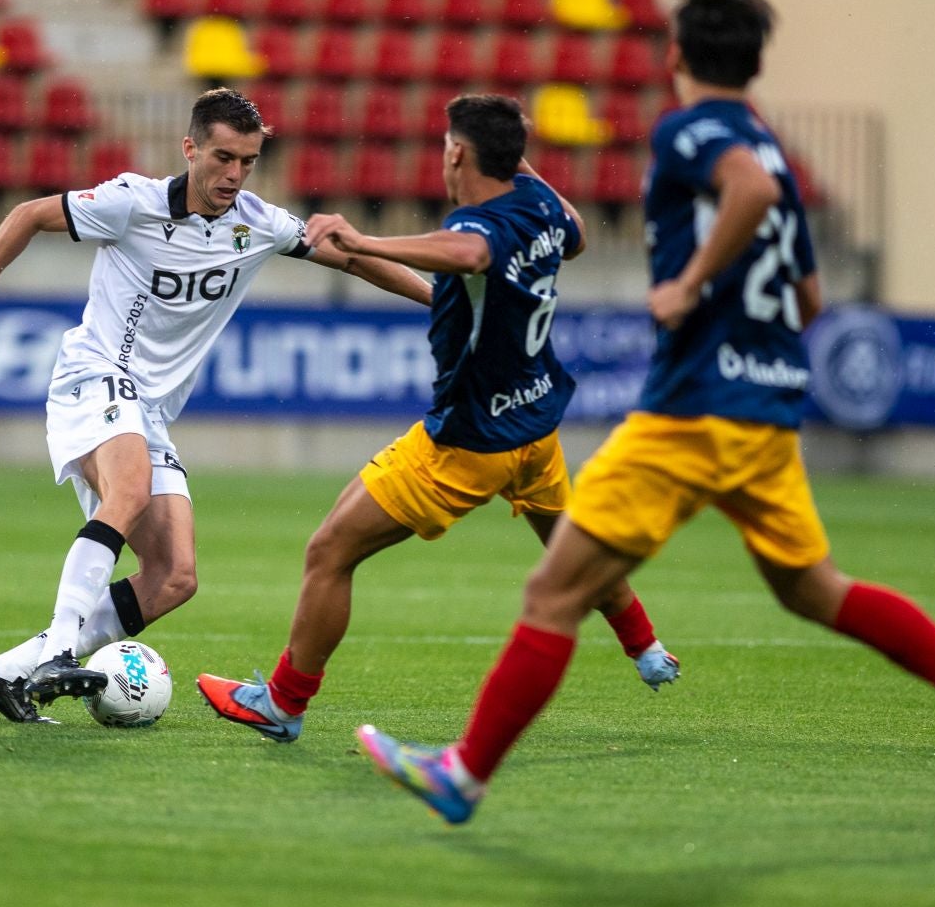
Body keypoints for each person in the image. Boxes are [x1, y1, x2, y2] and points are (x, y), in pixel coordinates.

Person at [357, 0, 935, 823]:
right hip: (765, 410)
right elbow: (808, 298)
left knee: (553, 593)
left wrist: (689, 288)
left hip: (691, 412)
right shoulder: (774, 154)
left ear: (677, 50)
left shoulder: (691, 134)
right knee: (814, 589)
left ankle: (463, 775)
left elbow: (742, 198)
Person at [195, 95, 680, 743]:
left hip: (468, 442)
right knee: (571, 544)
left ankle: (283, 703)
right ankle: (645, 646)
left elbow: (470, 254)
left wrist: (362, 236)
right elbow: (576, 236)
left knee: (330, 551)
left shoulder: (477, 227)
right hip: (535, 427)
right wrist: (513, 161)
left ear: (455, 152)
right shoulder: (542, 206)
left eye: (447, 145)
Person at [0, 88, 432, 721]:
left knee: (175, 577)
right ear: (190, 148)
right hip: (94, 375)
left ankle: (11, 671)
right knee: (132, 489)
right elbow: (31, 214)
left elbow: (352, 257)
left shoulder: (257, 224)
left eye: (248, 161)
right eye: (223, 158)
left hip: (150, 408)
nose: (234, 174)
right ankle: (63, 647)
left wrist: (439, 304)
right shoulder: (132, 203)